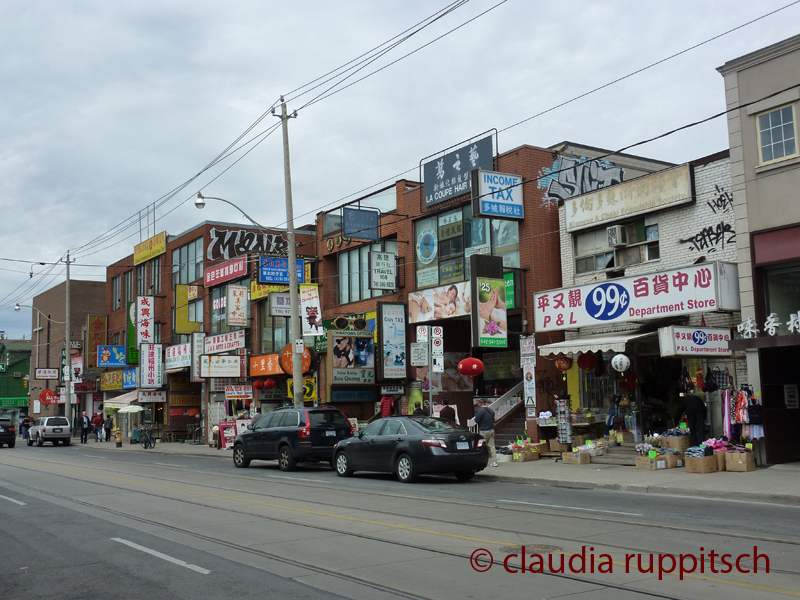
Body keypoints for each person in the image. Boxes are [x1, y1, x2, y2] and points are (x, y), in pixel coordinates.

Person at [473, 399, 497, 467]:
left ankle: (481, 462)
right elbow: (493, 419)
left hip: (483, 431)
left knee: (482, 447)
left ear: (480, 404)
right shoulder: (491, 410)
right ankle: (494, 462)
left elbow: (476, 420)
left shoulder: (480, 411)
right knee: (492, 446)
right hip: (491, 430)